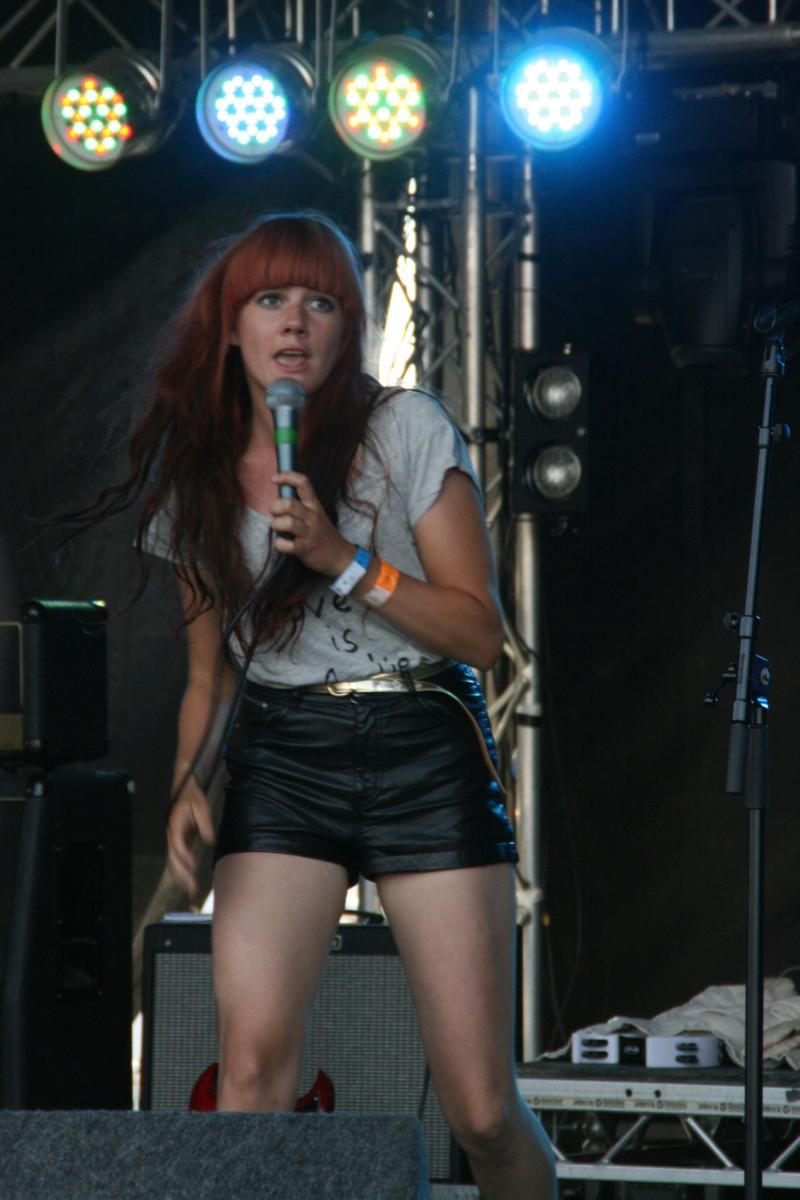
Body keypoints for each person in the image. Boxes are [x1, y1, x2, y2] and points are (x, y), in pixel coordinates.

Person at [137, 210, 554, 1200]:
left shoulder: (401, 427)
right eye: (270, 299)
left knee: (482, 1112)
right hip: (284, 758)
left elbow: (478, 636)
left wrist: (345, 562)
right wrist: (187, 786)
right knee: (247, 1077)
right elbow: (213, 676)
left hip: (421, 741)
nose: (295, 322)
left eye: (320, 302)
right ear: (227, 324)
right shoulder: (195, 475)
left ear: (346, 325)